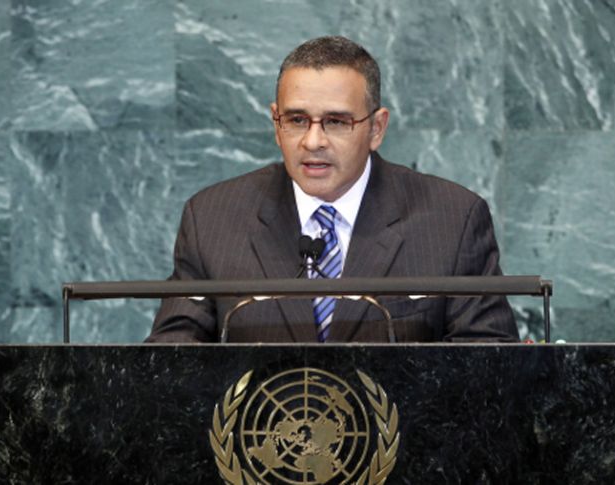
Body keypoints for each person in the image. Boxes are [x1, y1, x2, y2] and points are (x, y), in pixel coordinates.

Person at [146, 36, 519, 343]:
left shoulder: (452, 220)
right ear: (276, 124)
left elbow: (489, 365)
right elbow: (171, 364)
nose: (313, 141)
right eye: (296, 120)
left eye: (336, 122)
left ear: (376, 129)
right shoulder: (213, 218)